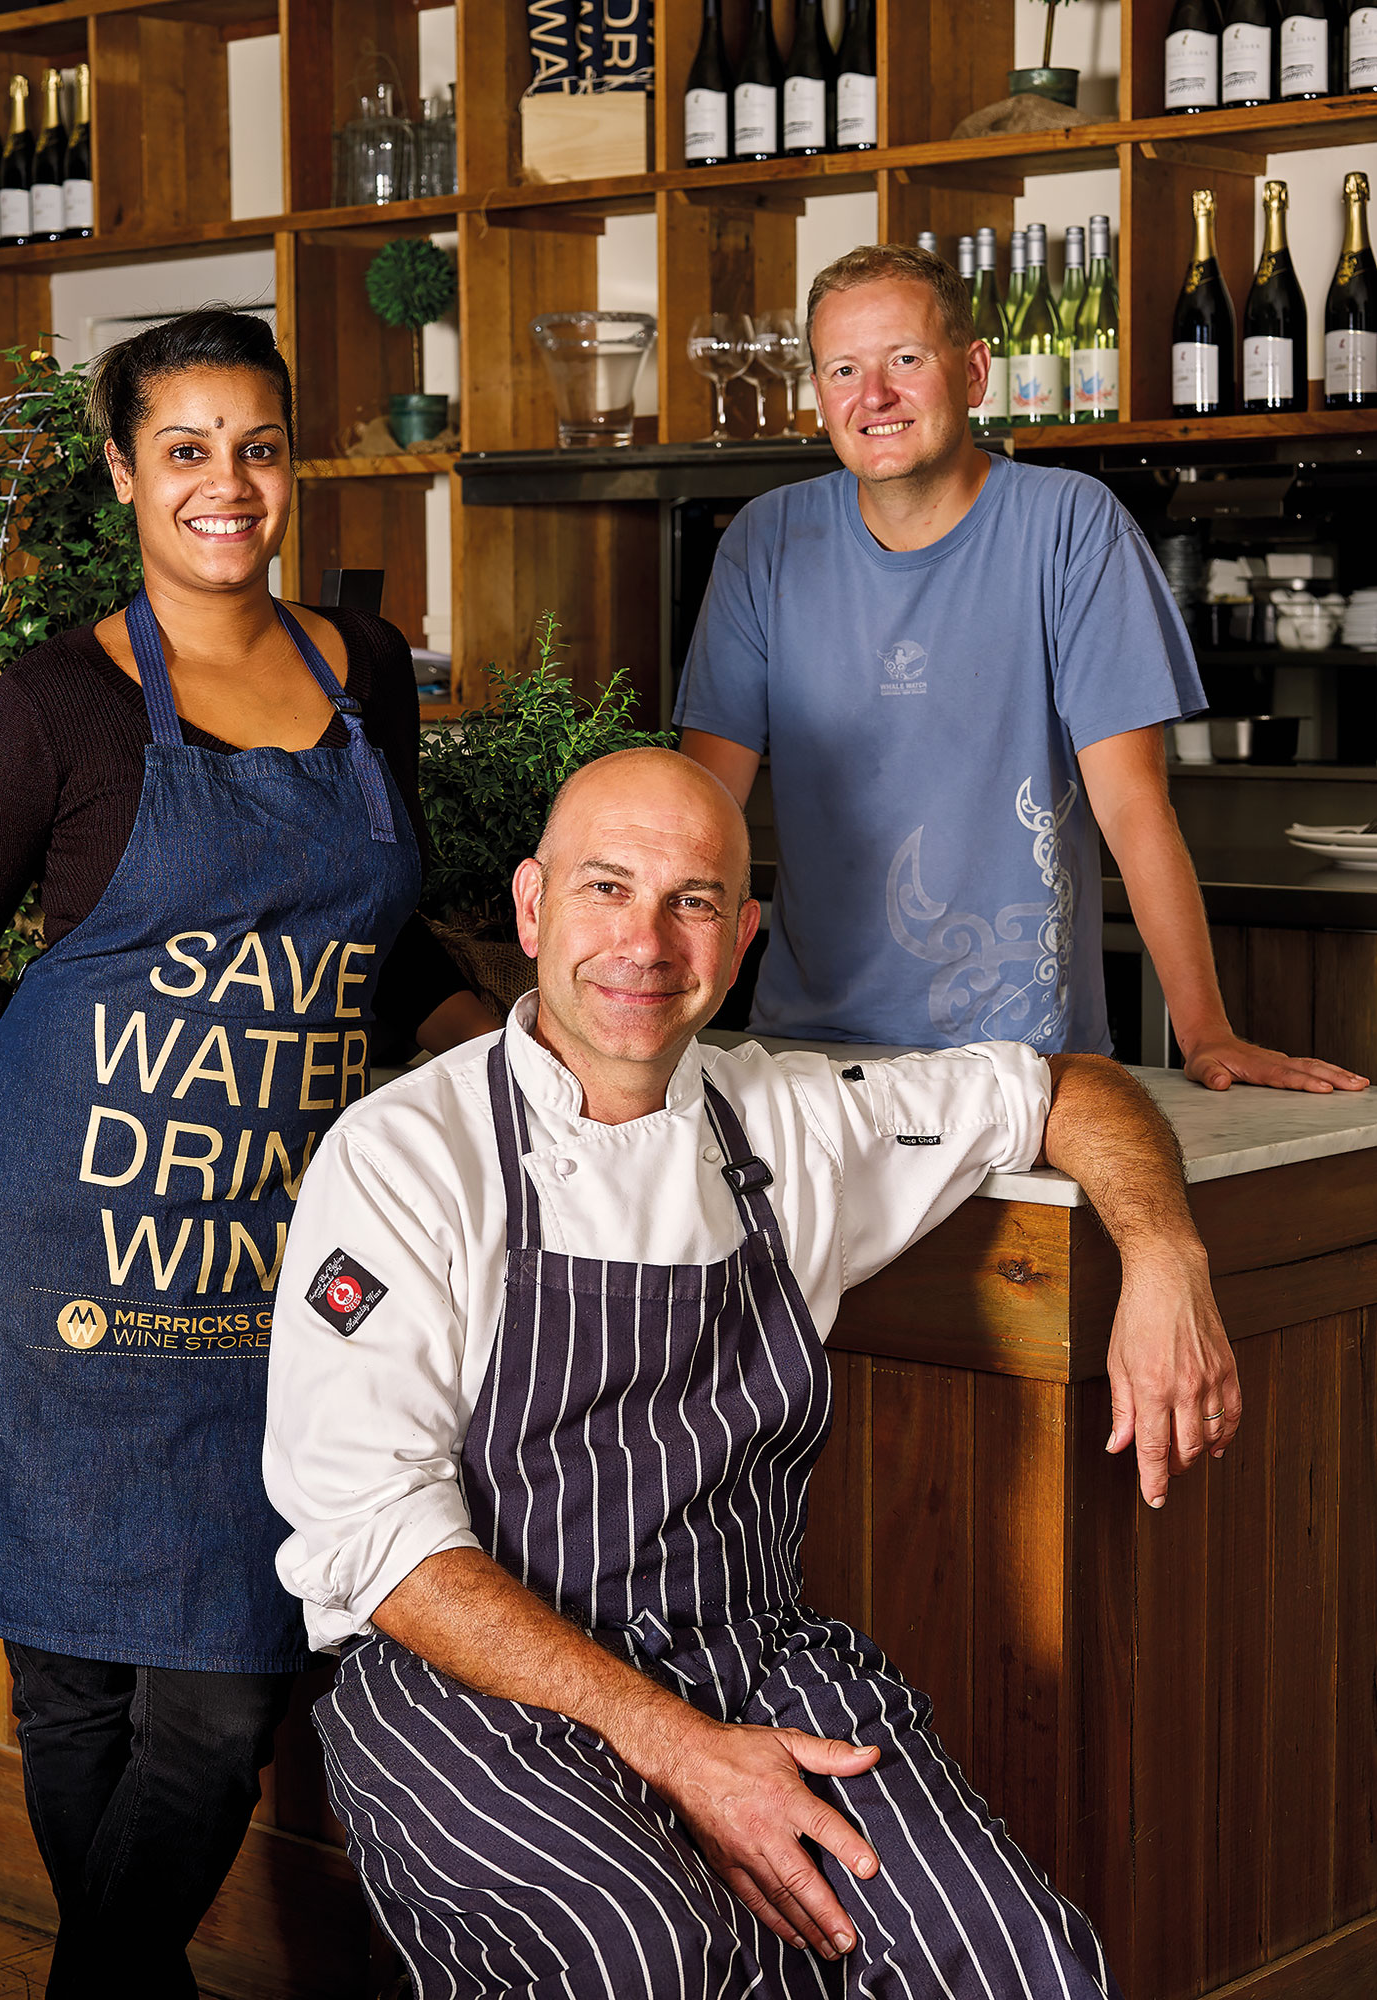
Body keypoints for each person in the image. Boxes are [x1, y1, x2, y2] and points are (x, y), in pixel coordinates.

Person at [264, 746, 1238, 1999]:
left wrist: (1165, 1251)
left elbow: (1066, 1087)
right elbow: (376, 1543)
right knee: (652, 1954)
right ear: (529, 906)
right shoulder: (405, 1156)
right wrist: (680, 1749)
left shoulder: (791, 1118)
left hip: (751, 1655)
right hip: (471, 1688)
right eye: (606, 888)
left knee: (1025, 1964)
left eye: (694, 901)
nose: (647, 942)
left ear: (743, 936)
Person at [0, 308, 493, 1999]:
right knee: (73, 1693)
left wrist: (496, 1055)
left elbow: (383, 943)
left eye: (261, 444)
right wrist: (113, 1097)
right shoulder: (55, 704)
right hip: (50, 1269)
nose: (231, 484)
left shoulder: (355, 669)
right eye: (187, 449)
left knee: (223, 1696)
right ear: (124, 475)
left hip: (273, 1273)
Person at [676, 243, 1366, 1097]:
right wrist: (660, 1024)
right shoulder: (765, 543)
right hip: (807, 1060)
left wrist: (1206, 1030)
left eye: (906, 360)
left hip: (1027, 1066)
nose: (874, 396)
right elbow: (698, 818)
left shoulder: (1072, 526)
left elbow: (1132, 802)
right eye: (843, 368)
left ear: (972, 374)